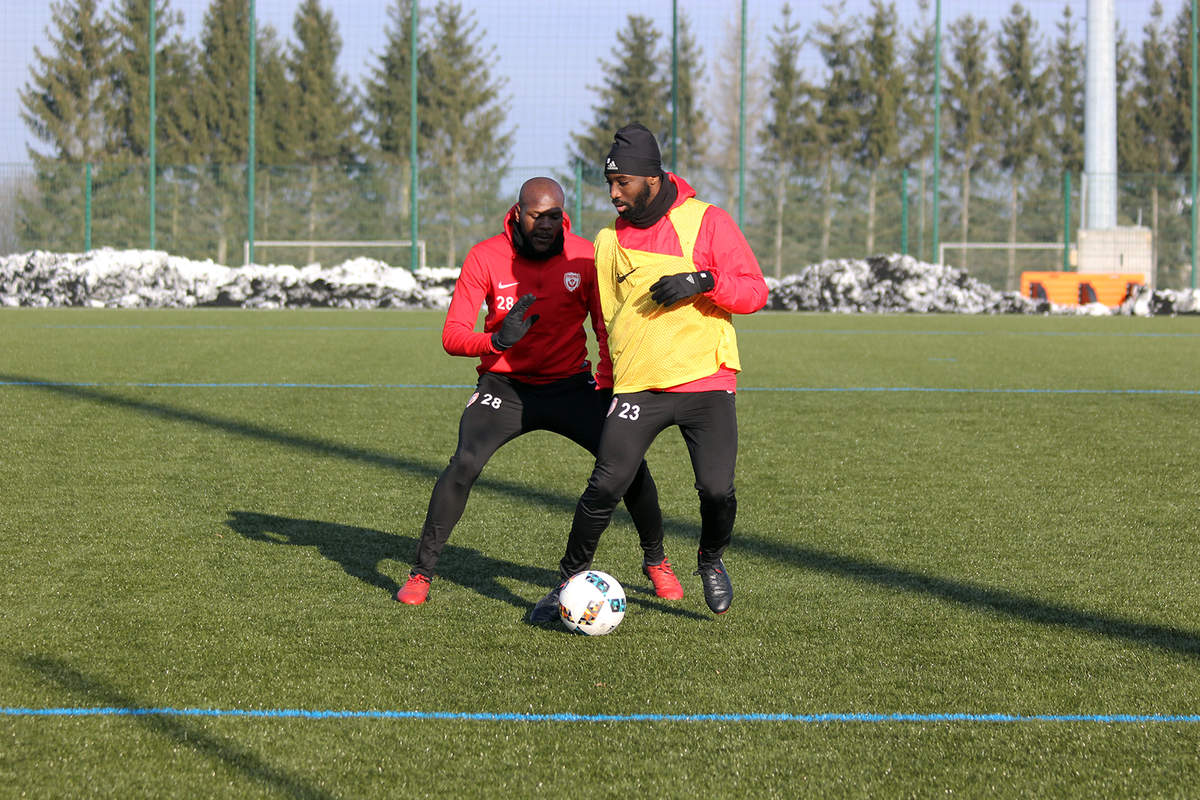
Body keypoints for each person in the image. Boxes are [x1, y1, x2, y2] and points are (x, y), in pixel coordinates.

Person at [395, 176, 684, 608]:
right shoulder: (485, 256)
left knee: (627, 463)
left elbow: (604, 328)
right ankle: (421, 572)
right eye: (536, 216)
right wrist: (495, 342)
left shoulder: (584, 255)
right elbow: (452, 335)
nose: (547, 225)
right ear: (517, 213)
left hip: (571, 385)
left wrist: (611, 385)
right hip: (504, 387)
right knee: (464, 463)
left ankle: (656, 560)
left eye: (554, 216)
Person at [529, 125, 768, 621]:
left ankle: (711, 559)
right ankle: (565, 583)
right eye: (609, 183)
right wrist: (609, 381)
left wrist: (703, 281)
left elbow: (753, 292)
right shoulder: (608, 241)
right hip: (638, 385)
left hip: (706, 381)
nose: (614, 193)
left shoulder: (707, 221)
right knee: (605, 485)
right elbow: (607, 317)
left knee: (717, 491)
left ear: (654, 180)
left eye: (625, 183)